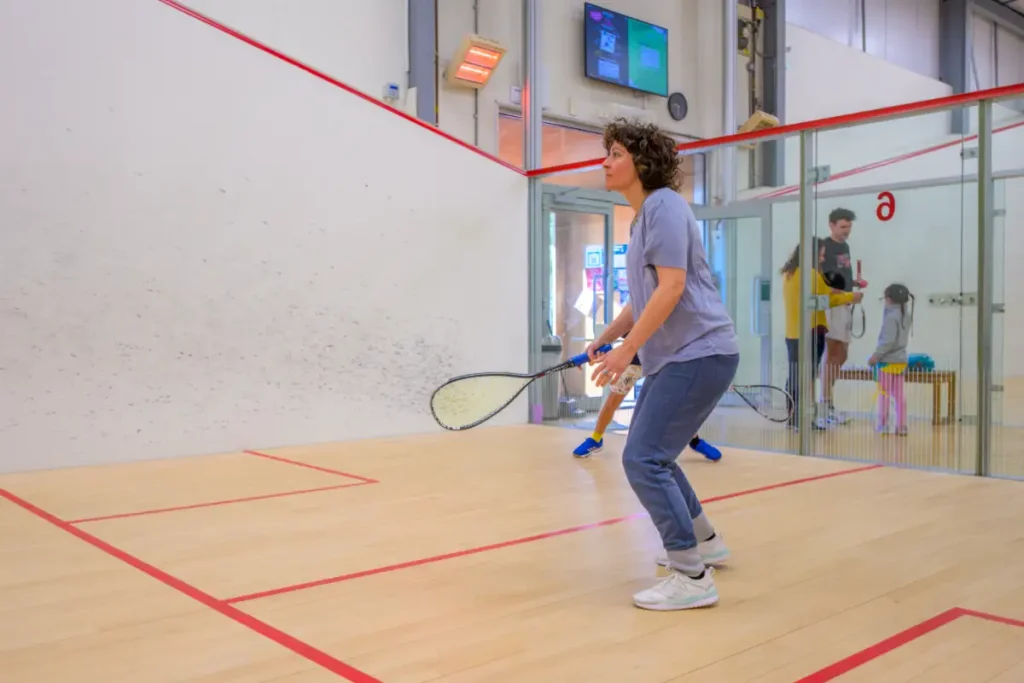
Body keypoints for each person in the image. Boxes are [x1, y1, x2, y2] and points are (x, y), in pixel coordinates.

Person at [585, 118, 739, 611]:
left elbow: (672, 288)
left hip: (699, 352)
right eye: (606, 153)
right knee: (655, 456)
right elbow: (646, 295)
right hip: (680, 356)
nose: (605, 162)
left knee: (643, 458)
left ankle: (691, 576)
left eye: (615, 154)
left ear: (641, 162)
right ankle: (706, 542)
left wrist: (627, 352)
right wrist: (609, 337)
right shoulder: (644, 216)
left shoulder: (665, 207)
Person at [572, 336, 723, 461]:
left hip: (662, 363)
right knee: (612, 402)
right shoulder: (633, 310)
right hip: (634, 362)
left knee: (675, 405)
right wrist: (590, 354)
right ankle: (596, 439)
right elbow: (616, 333)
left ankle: (694, 440)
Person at [780, 238, 861, 430]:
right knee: (806, 377)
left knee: (794, 376)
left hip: (792, 333)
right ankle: (802, 419)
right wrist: (851, 297)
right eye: (821, 254)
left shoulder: (790, 274)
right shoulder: (812, 275)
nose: (823, 259)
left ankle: (794, 419)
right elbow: (819, 302)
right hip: (811, 332)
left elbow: (818, 295)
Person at [818, 208, 867, 426]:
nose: (847, 231)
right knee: (833, 352)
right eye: (843, 227)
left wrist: (853, 285)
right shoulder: (824, 247)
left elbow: (841, 276)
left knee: (843, 355)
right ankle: (825, 404)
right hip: (832, 306)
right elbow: (823, 280)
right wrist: (842, 292)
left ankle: (828, 402)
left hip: (846, 304)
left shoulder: (845, 247)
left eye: (849, 227)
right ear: (832, 225)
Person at [868, 283, 914, 435]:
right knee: (899, 395)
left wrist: (876, 356)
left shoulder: (890, 317)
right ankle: (901, 426)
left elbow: (887, 341)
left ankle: (883, 425)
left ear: (889, 299)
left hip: (887, 362)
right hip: (901, 361)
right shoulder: (905, 315)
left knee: (885, 394)